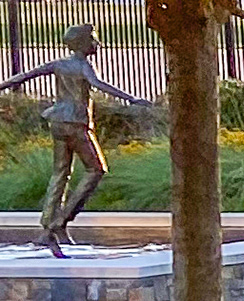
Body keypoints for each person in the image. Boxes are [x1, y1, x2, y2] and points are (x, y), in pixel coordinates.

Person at [5, 27, 142, 254]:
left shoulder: (58, 64)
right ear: (82, 44)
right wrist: (132, 99)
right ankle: (60, 221)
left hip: (58, 121)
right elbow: (97, 84)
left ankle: (48, 227)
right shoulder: (82, 65)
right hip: (76, 123)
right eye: (94, 40)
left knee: (60, 173)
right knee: (96, 170)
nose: (97, 44)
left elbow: (22, 77)